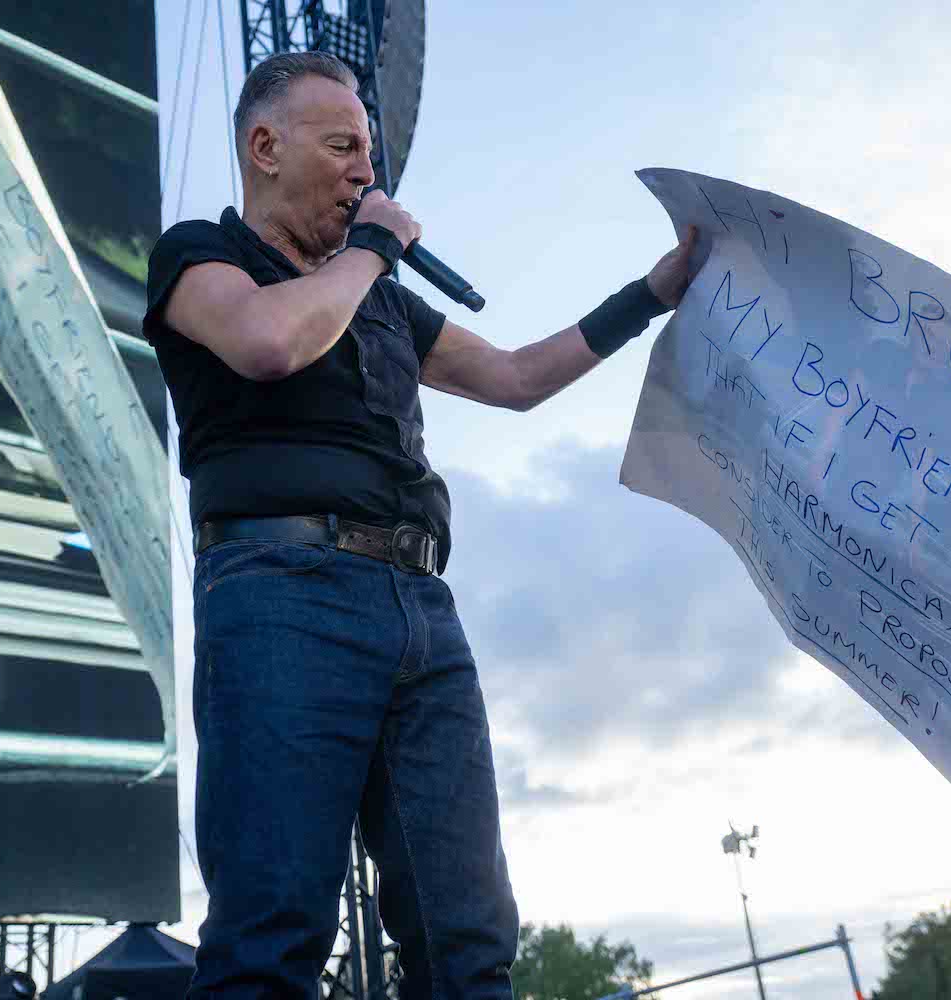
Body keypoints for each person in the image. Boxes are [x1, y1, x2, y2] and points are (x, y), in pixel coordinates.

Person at [144, 51, 695, 1000]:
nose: (368, 172)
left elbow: (518, 379)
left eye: (371, 153)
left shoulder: (382, 299)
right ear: (265, 147)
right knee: (272, 932)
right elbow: (269, 343)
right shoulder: (201, 256)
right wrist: (375, 249)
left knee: (466, 935)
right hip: (281, 595)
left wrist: (648, 295)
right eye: (344, 146)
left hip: (420, 610)